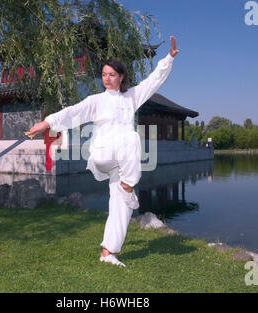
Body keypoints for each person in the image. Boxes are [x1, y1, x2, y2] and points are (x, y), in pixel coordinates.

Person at [25, 36, 180, 267]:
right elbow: (72, 112)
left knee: (122, 206)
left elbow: (153, 81)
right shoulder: (96, 100)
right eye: (104, 74)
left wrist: (168, 58)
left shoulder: (131, 97)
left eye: (112, 74)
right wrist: (46, 123)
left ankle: (108, 253)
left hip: (122, 161)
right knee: (132, 137)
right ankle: (128, 186)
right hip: (102, 155)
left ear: (121, 77)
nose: (107, 78)